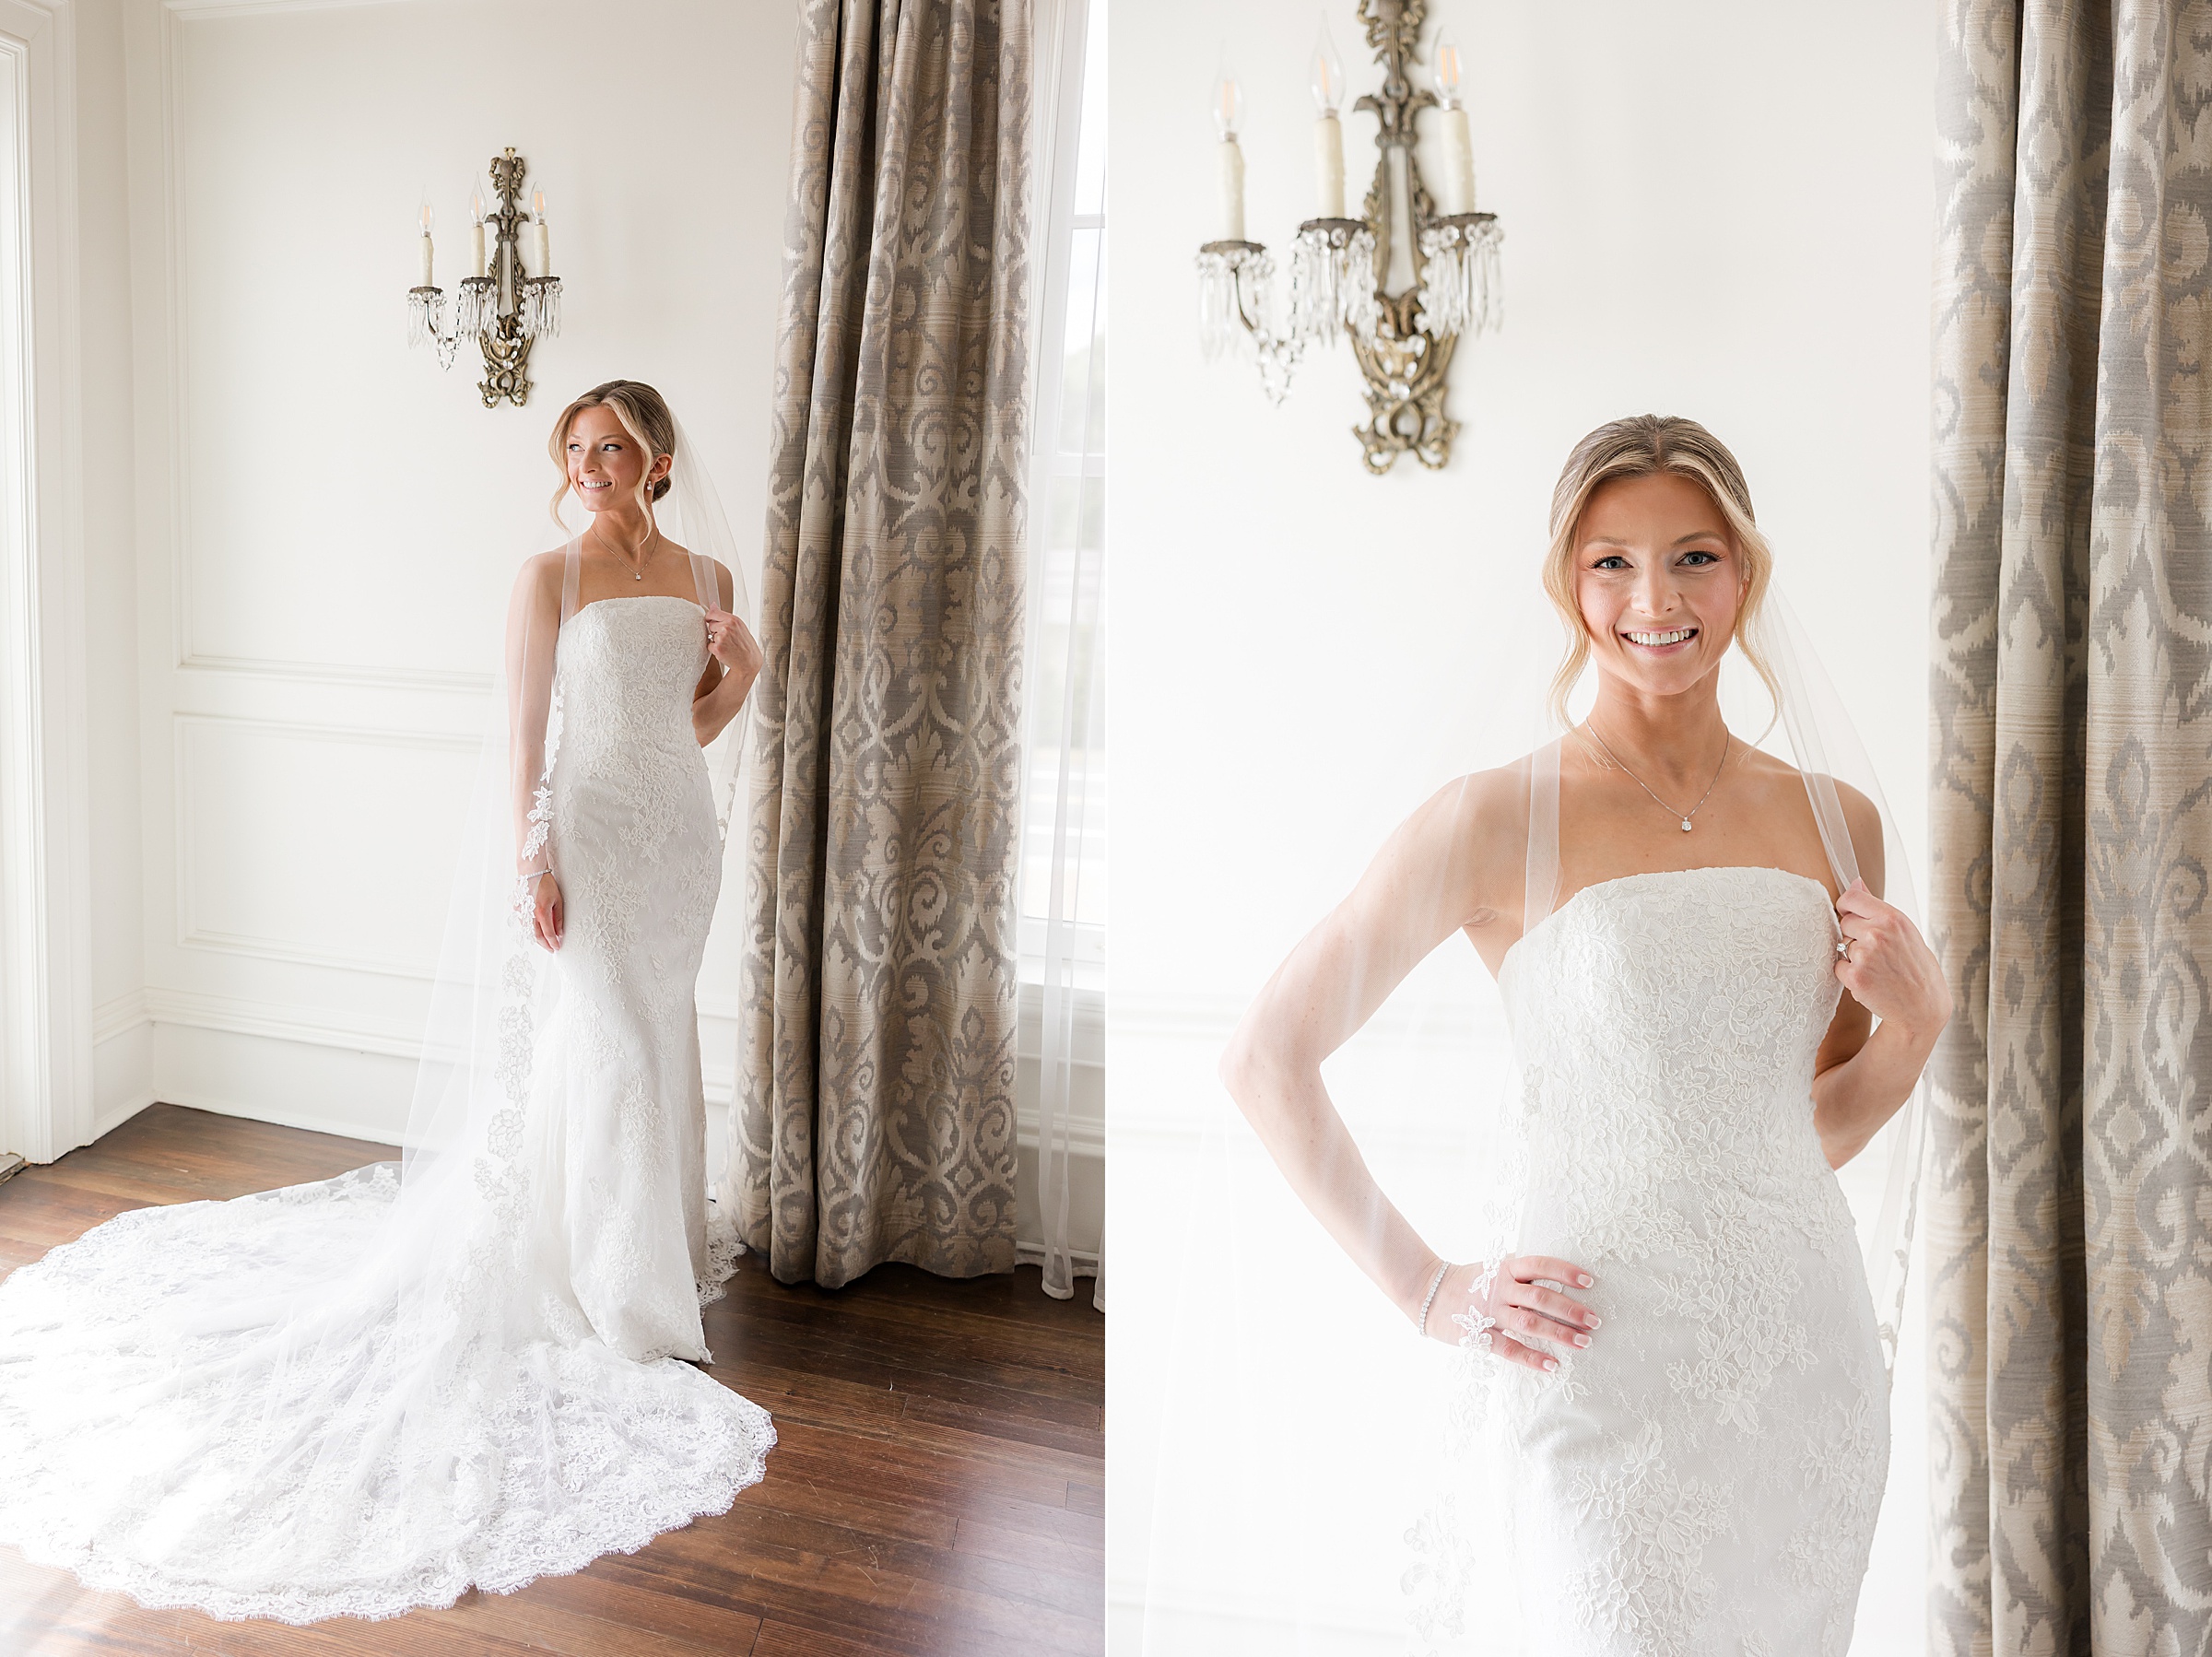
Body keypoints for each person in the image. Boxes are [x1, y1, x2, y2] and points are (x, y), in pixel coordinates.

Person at [0, 380, 776, 1624]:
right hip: (585, 831)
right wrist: (533, 856)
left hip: (674, 838)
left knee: (646, 1038)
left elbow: (697, 725)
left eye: (613, 448)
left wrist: (742, 667)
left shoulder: (710, 572)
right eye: (574, 448)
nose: (592, 466)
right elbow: (526, 734)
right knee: (615, 1043)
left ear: (660, 458)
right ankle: (632, 1303)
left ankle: (639, 1247)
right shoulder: (546, 577)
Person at [1218, 415, 1951, 1651]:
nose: (1653, 595)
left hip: (1805, 1370)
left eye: (1694, 556)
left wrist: (1918, 1025)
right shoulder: (1495, 817)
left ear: (1747, 573)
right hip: (1601, 1370)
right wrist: (1427, 1286)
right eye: (1611, 559)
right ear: (1568, 582)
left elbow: (1802, 1127)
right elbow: (1265, 1056)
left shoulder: (1838, 824)